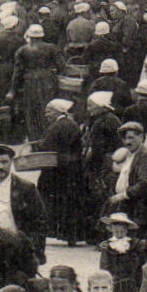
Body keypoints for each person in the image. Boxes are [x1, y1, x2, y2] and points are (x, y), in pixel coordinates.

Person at [0, 144, 49, 266]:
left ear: (11, 162)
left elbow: (40, 222)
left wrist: (31, 251)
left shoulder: (26, 188)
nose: (0, 166)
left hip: (18, 252)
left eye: (4, 162)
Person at [38, 99, 90, 244]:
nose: (46, 114)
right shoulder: (70, 124)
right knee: (69, 203)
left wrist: (39, 145)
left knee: (54, 201)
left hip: (59, 170)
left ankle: (52, 231)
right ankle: (70, 236)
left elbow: (47, 145)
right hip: (71, 169)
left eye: (49, 111)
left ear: (58, 112)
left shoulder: (58, 126)